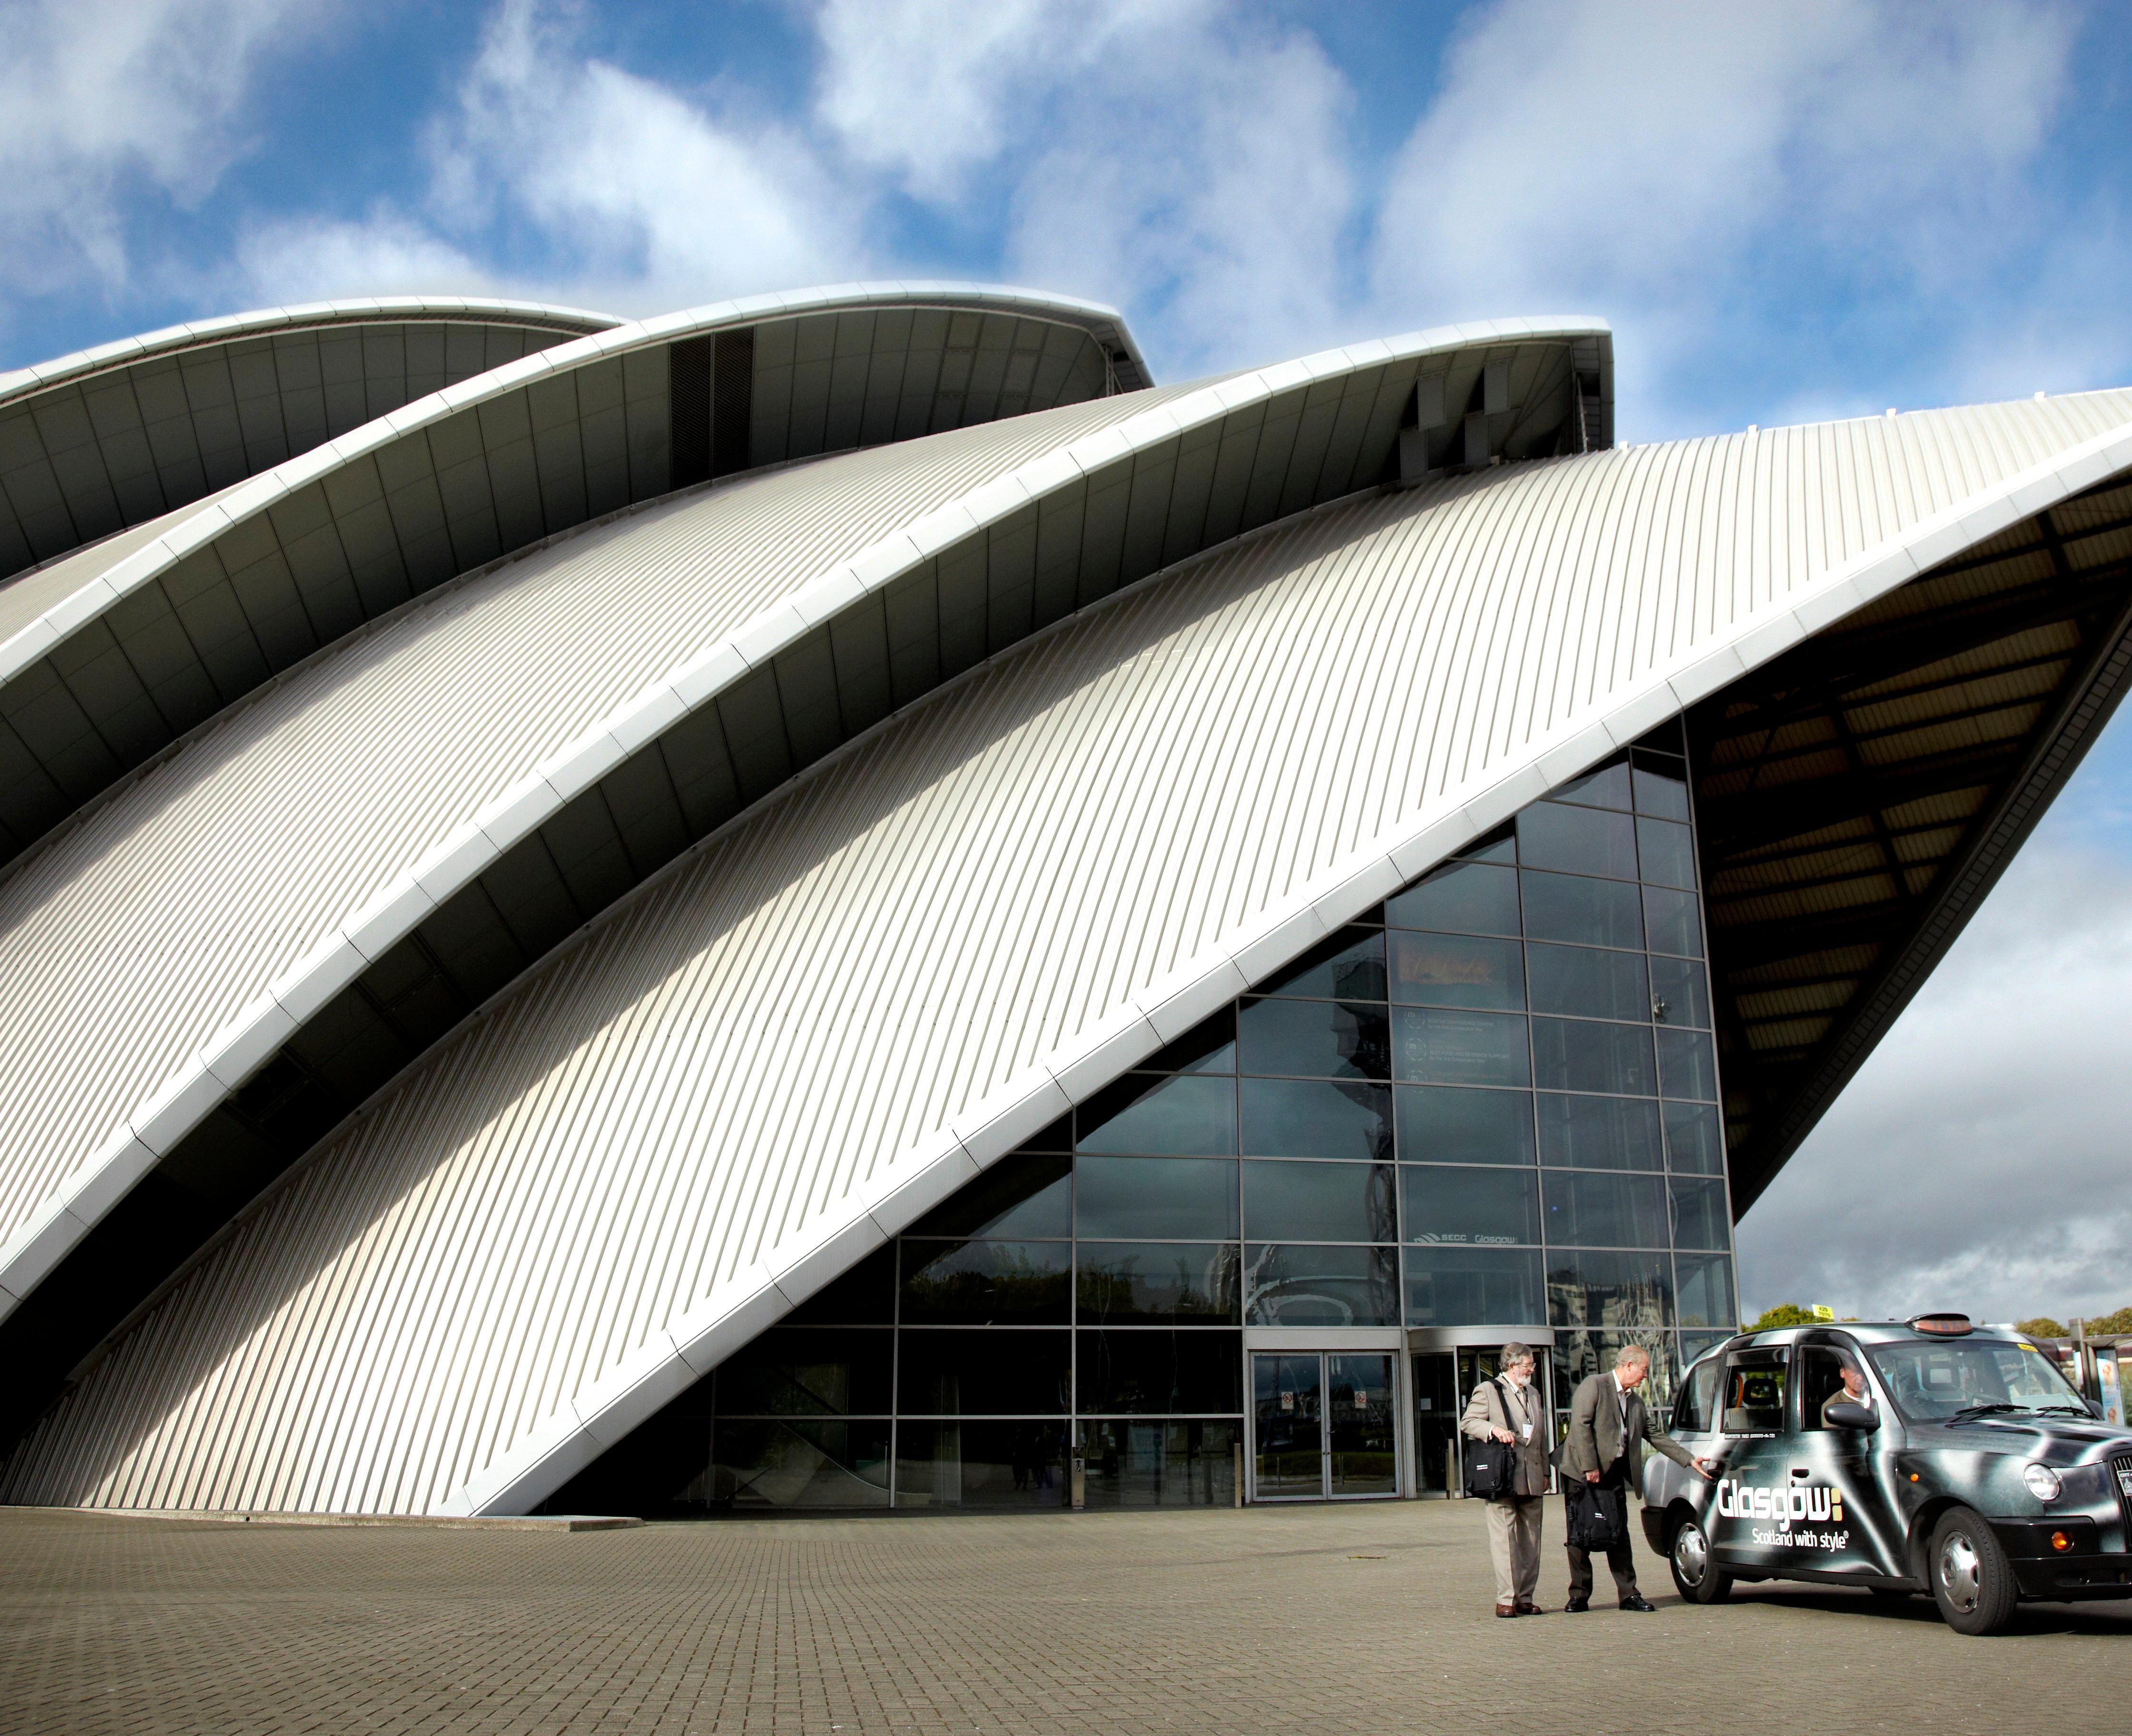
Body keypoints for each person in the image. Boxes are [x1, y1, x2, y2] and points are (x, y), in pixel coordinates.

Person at [1559, 1344, 1717, 1612]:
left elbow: (1655, 1435)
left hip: (1614, 1475)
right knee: (1580, 1535)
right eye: (1644, 1369)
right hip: (1582, 1474)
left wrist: (1689, 1460)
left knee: (1619, 1534)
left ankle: (1628, 1594)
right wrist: (1589, 1466)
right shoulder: (1594, 1385)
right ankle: (1579, 1595)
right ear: (1628, 1365)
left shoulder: (1635, 1402)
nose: (1646, 1375)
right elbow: (1580, 1425)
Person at [1459, 1343, 1552, 1618]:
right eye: (1528, 1365)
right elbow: (1468, 1422)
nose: (1532, 1370)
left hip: (1532, 1477)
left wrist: (1546, 1472)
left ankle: (1526, 1597)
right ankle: (1507, 1599)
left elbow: (1541, 1436)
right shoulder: (1488, 1390)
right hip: (1501, 1477)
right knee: (1505, 1540)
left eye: (1532, 1365)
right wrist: (1494, 1429)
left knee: (1531, 1542)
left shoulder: (1533, 1393)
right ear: (1511, 1365)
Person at [1820, 1355, 1872, 1426]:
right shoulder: (1833, 1405)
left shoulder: (1878, 1395)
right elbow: (1834, 1435)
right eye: (1855, 1372)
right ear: (1842, 1373)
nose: (1860, 1377)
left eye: (1863, 1373)